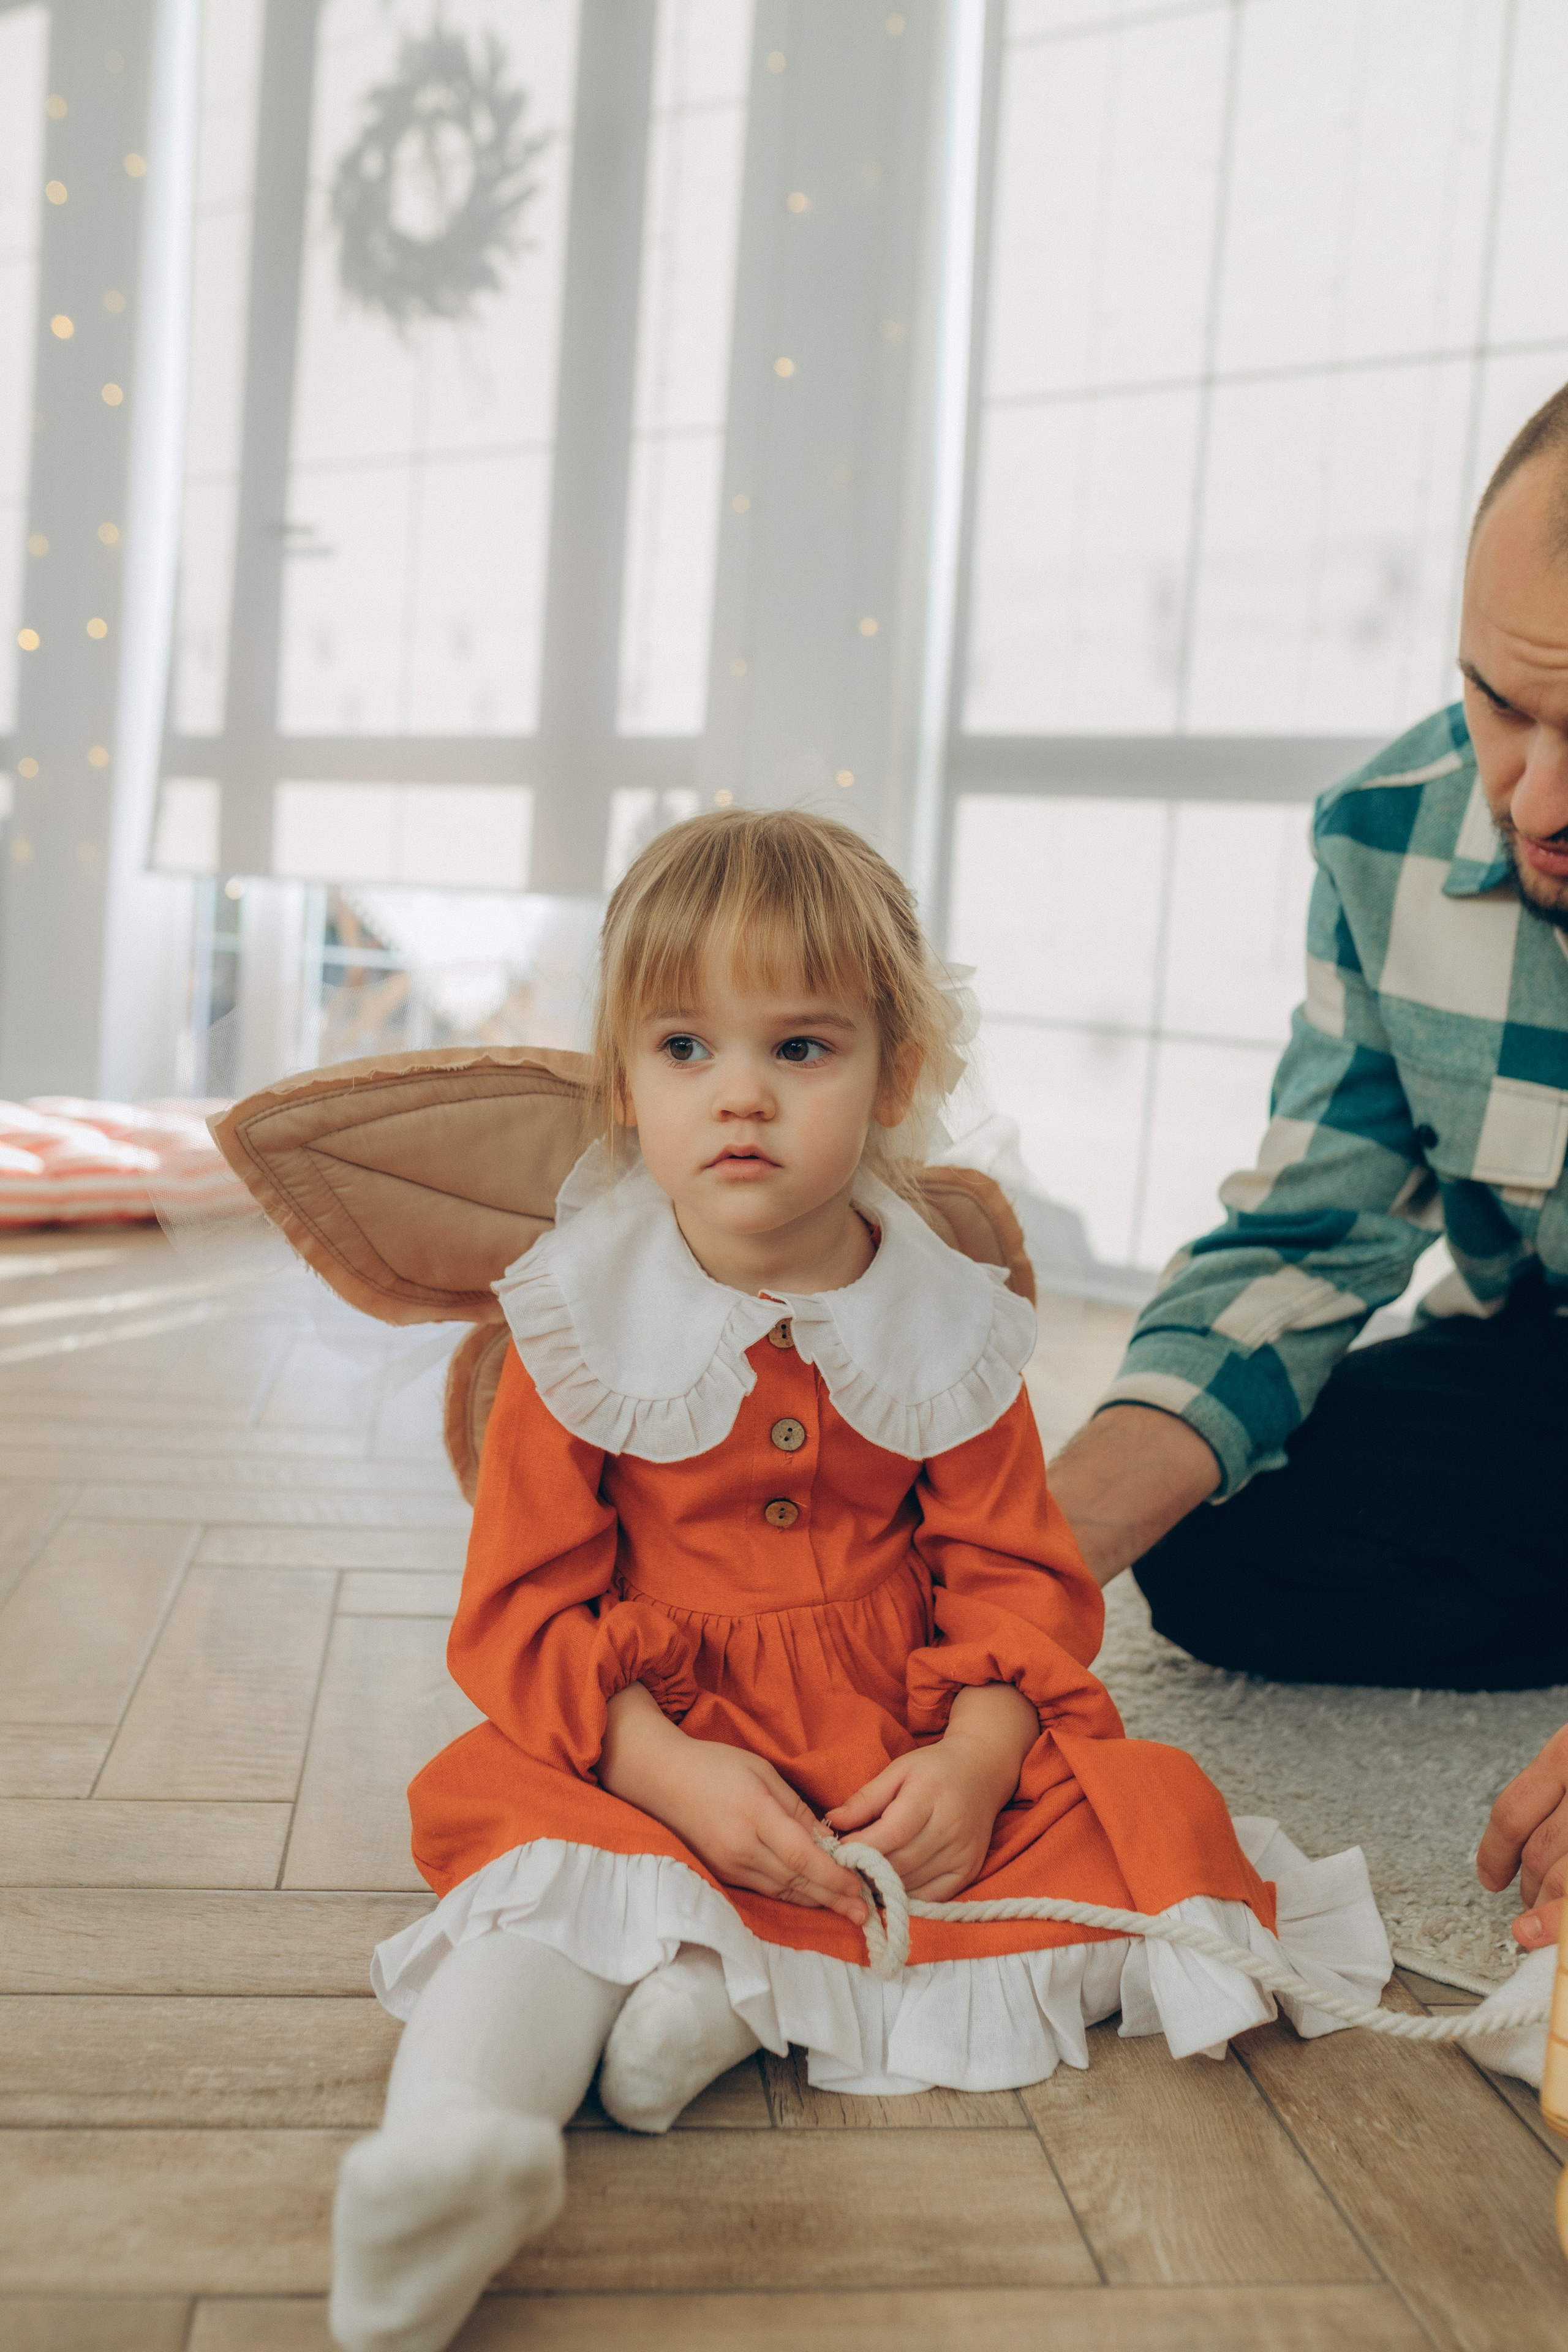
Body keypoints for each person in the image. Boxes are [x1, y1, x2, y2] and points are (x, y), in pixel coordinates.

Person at [328, 809, 1384, 2352]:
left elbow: (1018, 1582)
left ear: (893, 1076)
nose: (738, 1093)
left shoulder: (944, 1324)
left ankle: (712, 2004)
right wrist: (666, 1769)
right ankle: (454, 2146)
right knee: (540, 1894)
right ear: (624, 1079)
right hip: (652, 1746)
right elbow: (518, 1617)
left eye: (801, 1049)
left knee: (1154, 1817)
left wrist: (975, 1755)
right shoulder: (578, 1321)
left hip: (896, 1746)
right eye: (683, 1046)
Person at [1048, 383, 1568, 1964]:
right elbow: (1304, 1236)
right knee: (1213, 1536)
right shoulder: (1388, 837)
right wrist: (1016, 1559)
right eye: (1498, 705)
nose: (1534, 799)